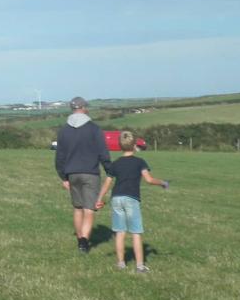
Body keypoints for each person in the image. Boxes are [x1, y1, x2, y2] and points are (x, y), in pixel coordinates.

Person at [95, 131, 169, 273]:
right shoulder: (140, 162)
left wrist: (99, 199)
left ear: (119, 146)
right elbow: (149, 179)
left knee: (120, 232)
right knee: (136, 232)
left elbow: (107, 183)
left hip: (116, 199)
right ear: (135, 145)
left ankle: (121, 263)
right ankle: (140, 266)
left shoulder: (115, 164)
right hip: (131, 199)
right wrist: (162, 183)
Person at [55, 96, 111, 254]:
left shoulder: (64, 130)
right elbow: (103, 152)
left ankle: (80, 239)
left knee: (77, 208)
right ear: (84, 108)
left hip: (72, 173)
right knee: (89, 209)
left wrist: (63, 177)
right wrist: (109, 169)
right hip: (90, 173)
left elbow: (60, 156)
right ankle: (85, 241)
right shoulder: (94, 128)